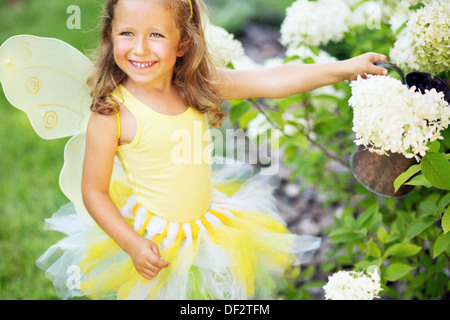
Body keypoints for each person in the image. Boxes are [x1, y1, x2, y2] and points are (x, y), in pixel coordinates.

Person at [36, 0, 388, 300]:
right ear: (110, 35)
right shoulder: (112, 114)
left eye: (156, 35)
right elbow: (94, 191)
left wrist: (345, 68)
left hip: (211, 226)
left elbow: (272, 80)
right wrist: (131, 243)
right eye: (127, 33)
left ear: (182, 44)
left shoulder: (195, 85)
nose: (139, 48)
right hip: (153, 237)